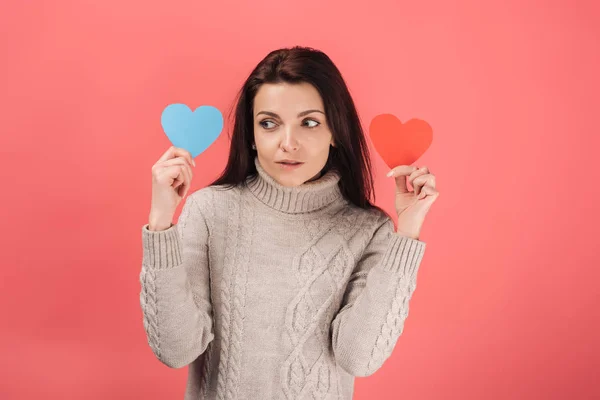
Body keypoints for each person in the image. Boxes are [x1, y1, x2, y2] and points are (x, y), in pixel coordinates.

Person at [140, 46, 439, 400]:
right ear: (251, 135)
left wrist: (407, 233)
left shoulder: (368, 229)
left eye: (309, 122)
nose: (287, 143)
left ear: (335, 132)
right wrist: (161, 223)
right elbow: (175, 350)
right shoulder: (208, 211)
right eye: (269, 123)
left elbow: (360, 358)